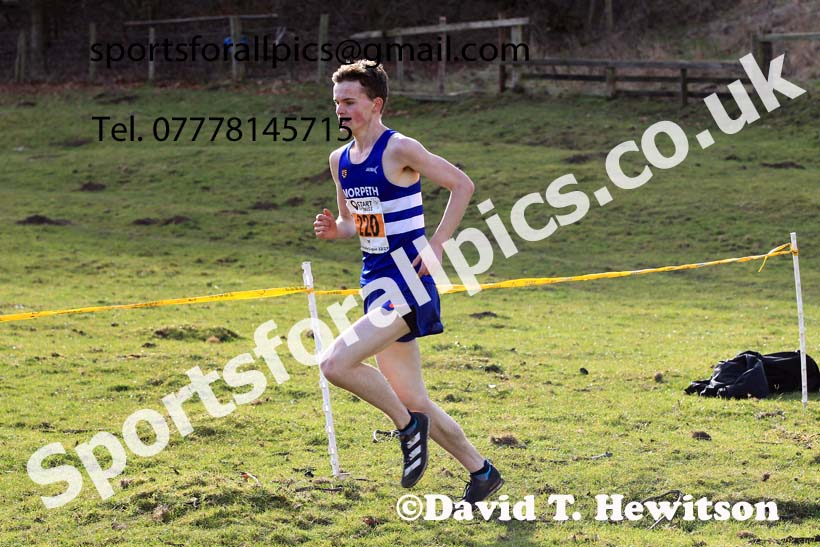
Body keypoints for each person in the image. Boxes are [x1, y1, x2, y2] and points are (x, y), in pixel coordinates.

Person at [312, 59, 503, 503]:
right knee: (414, 398)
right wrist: (336, 230)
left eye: (350, 101)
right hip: (375, 284)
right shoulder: (340, 160)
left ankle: (406, 427)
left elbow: (462, 185)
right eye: (337, 102)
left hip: (409, 282)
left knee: (334, 364)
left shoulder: (400, 148)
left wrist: (437, 243)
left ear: (376, 104)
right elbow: (353, 222)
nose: (341, 109)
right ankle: (482, 472)